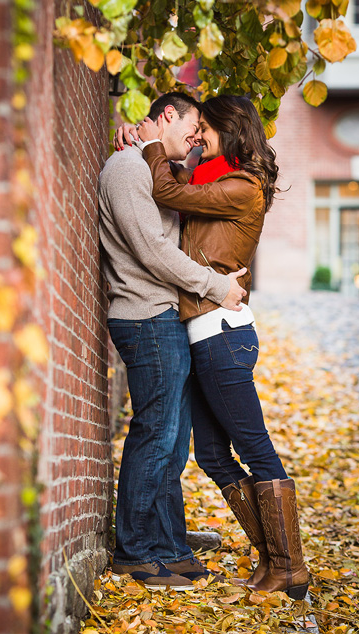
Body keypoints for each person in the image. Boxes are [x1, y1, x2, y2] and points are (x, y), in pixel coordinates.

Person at [121, 95, 309, 599]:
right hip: (204, 335)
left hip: (223, 337)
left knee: (256, 451)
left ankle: (289, 566)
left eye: (205, 128)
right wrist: (139, 142)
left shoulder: (242, 188)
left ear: (231, 130)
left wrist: (151, 145)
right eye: (195, 127)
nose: (199, 136)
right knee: (211, 454)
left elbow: (164, 189)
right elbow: (178, 185)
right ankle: (272, 559)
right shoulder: (215, 180)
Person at [98, 92, 249, 590]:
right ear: (166, 116)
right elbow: (153, 252)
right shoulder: (126, 169)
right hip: (144, 318)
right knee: (156, 435)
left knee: (172, 440)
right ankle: (134, 551)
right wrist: (216, 286)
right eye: (192, 128)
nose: (196, 139)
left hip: (165, 318)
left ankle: (168, 545)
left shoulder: (154, 167)